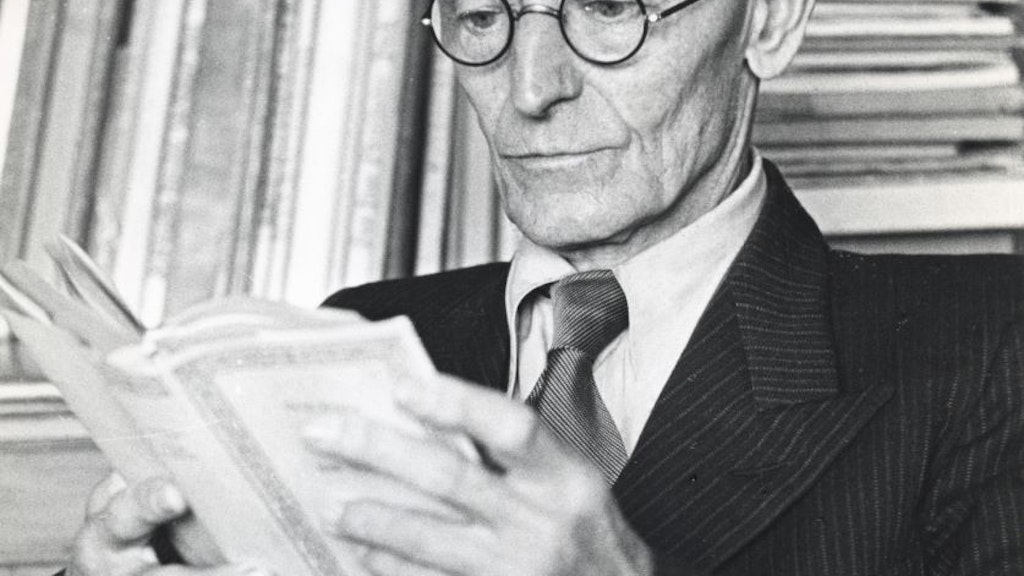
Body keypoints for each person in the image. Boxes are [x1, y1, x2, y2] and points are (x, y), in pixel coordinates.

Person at [65, 0, 1024, 574]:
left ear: (768, 20)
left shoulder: (987, 354)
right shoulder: (361, 333)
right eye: (483, 14)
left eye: (609, 7)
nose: (530, 89)